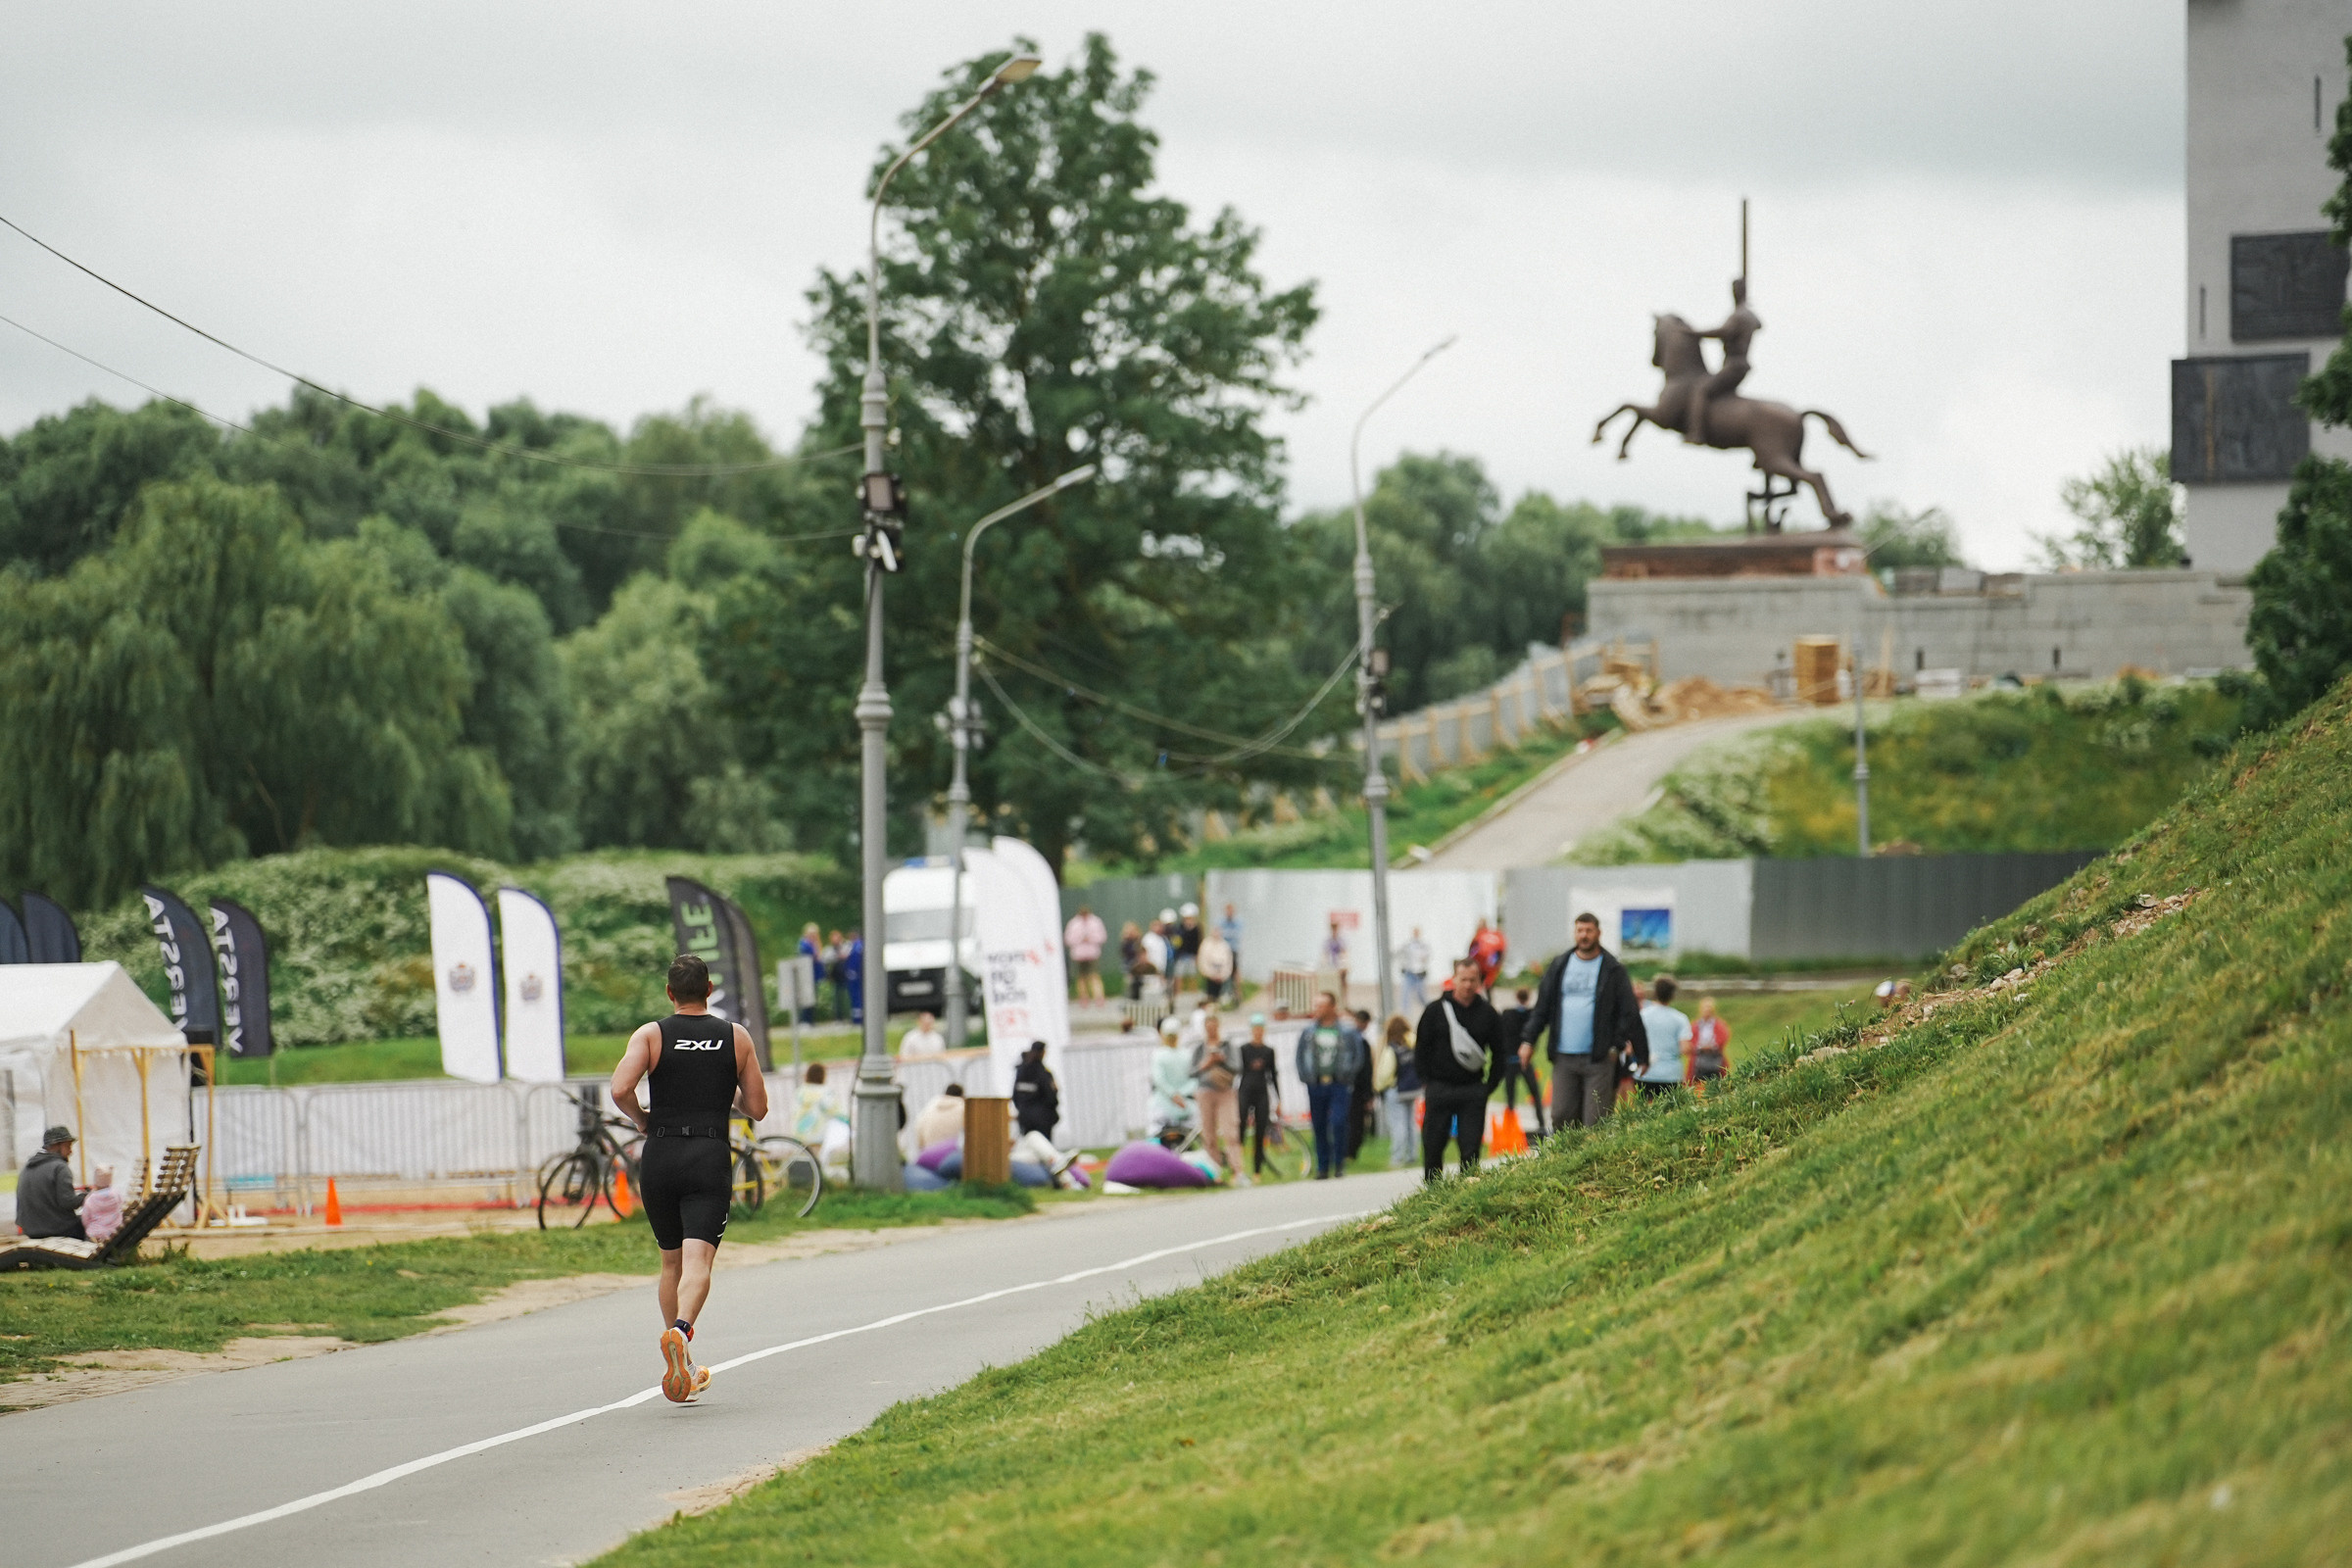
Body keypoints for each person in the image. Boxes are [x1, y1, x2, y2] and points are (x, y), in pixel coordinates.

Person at [611, 954, 770, 1404]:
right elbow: (757, 1108)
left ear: (669, 993)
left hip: (660, 1155)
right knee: (698, 1260)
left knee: (671, 1262)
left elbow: (620, 1089)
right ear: (709, 989)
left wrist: (642, 1119)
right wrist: (724, 1087)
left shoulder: (651, 1034)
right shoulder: (735, 1037)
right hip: (707, 1154)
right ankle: (681, 1332)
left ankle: (680, 1353)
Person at [1522, 912, 1645, 1130]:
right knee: (1561, 1116)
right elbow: (1542, 1007)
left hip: (1599, 1058)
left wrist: (1635, 1050)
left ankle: (1594, 1153)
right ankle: (1566, 1153)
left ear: (1598, 933)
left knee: (1595, 1121)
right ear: (1575, 933)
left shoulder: (1613, 969)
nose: (1584, 935)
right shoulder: (1560, 965)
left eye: (1589, 930)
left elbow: (1630, 1012)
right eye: (1580, 930)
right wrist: (1528, 1041)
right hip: (1564, 1056)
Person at [1415, 957, 1505, 1181]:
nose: (1467, 985)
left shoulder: (1488, 1014)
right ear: (1454, 979)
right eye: (1463, 979)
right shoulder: (1435, 1011)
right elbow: (1421, 1048)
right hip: (1440, 1087)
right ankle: (1433, 1192)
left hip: (1472, 1089)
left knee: (1470, 1149)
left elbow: (1500, 1052)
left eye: (1472, 980)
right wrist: (1427, 1082)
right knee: (1433, 1145)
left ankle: (1468, 1191)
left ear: (1479, 982)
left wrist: (1488, 1087)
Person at [1294, 991, 1365, 1179]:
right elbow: (1300, 1056)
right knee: (1319, 1125)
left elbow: (1358, 1056)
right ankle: (1322, 1166)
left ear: (1332, 1007)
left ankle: (1339, 1162)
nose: (1317, 1009)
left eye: (1321, 1005)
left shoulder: (1347, 1032)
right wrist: (1305, 1077)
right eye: (1316, 1005)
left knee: (1339, 1121)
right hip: (1316, 1084)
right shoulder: (1309, 1032)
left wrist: (1348, 1075)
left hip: (1338, 1084)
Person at [1688, 274, 1760, 446]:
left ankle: (1696, 433)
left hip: (1734, 364)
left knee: (1701, 390)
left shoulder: (1739, 315)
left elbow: (1723, 332)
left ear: (1741, 292)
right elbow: (1759, 324)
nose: (1734, 293)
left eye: (1736, 290)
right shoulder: (1748, 315)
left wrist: (1695, 334)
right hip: (1738, 365)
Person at [1191, 1012, 1246, 1182]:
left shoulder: (1228, 1046)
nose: (1211, 1029)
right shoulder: (1200, 1049)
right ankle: (1214, 1173)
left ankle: (1238, 1171)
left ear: (1218, 1026)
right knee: (1209, 1135)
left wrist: (1222, 1060)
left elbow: (1238, 1067)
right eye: (1208, 1027)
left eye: (1213, 1026)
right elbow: (1191, 1071)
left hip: (1225, 1092)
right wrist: (1206, 1063)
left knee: (1230, 1132)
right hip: (1205, 1092)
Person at [1494, 986, 1547, 1137]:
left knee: (1510, 1096)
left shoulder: (1507, 1014)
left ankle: (1510, 1126)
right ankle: (1541, 1124)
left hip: (1510, 1060)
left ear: (1516, 997)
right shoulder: (1531, 1015)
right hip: (1525, 1061)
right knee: (1535, 1094)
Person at [16, 1125, 85, 1240]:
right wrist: (86, 1196)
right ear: (55, 1145)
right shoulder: (60, 1167)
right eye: (68, 1146)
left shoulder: (27, 1167)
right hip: (58, 1230)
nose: (71, 1151)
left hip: (30, 1231)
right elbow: (68, 1202)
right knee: (91, 1223)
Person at [1636, 975, 1695, 1100]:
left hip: (1646, 1072)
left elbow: (1633, 1043)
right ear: (1672, 995)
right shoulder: (1680, 1018)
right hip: (1671, 1074)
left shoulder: (1642, 1015)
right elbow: (1685, 1048)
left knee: (1646, 1109)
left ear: (1655, 992)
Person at [1238, 1014, 1281, 1178]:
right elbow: (1238, 1072)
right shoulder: (1244, 1049)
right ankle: (1238, 1169)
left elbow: (1273, 1075)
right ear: (1251, 1031)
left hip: (1262, 1093)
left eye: (1260, 1029)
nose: (1258, 1032)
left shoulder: (1268, 1051)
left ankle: (1257, 1171)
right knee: (1241, 1128)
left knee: (1260, 1131)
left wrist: (1278, 1098)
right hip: (1245, 1091)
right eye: (1255, 1029)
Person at [1381, 1013, 1422, 1169]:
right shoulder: (1412, 1046)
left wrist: (1380, 1085)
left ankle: (1397, 1157)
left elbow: (1386, 1073)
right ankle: (1412, 1154)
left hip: (1396, 1089)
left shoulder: (1392, 1049)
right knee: (1411, 1123)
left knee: (1398, 1125)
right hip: (1412, 1089)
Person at [1149, 1017, 1194, 1143]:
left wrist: (1175, 1095)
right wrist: (1180, 1095)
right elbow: (1193, 1080)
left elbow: (1159, 1080)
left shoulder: (1159, 1054)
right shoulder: (1186, 1054)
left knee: (1157, 1136)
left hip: (1166, 1104)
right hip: (1181, 1104)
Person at [1012, 1041, 1060, 1140]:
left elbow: (1015, 1096)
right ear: (1042, 1053)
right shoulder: (1043, 1073)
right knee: (1044, 1146)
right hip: (1042, 1119)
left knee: (1029, 1144)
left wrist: (1022, 1110)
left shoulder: (1021, 1072)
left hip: (1025, 1118)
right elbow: (1051, 1096)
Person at [1348, 1007, 1378, 1160]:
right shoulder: (1361, 1042)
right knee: (1357, 1123)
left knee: (1350, 1121)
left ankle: (1347, 1152)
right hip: (1358, 1089)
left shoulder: (1348, 1038)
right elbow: (1366, 1070)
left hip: (1348, 1087)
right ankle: (1350, 1152)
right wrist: (1368, 1093)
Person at [1064, 905, 1107, 1002]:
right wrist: (1080, 939)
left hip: (1092, 953)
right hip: (1079, 954)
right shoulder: (1073, 923)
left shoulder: (1096, 922)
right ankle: (1083, 996)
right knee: (1081, 977)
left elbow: (1102, 937)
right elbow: (1068, 939)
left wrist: (1091, 938)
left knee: (1094, 975)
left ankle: (1098, 996)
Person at [1690, 996, 1733, 1087]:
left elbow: (1723, 1037)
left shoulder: (1718, 1024)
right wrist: (1700, 1046)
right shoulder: (1696, 1025)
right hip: (1698, 1059)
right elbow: (1691, 1040)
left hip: (1715, 1057)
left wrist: (1712, 1045)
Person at [912, 1083, 966, 1150]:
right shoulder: (963, 1108)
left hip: (930, 1152)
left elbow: (919, 1130)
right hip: (952, 1152)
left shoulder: (929, 1108)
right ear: (962, 1096)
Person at [79, 1164, 123, 1246]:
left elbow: (85, 1218)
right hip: (114, 1233)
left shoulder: (91, 1199)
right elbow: (120, 1208)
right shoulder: (117, 1195)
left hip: (94, 1235)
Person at [1197, 925, 1235, 1006]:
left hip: (1221, 974)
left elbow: (1228, 962)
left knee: (1221, 995)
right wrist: (1210, 974)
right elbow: (1202, 960)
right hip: (1209, 974)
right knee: (1209, 995)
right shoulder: (1206, 944)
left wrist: (1223, 974)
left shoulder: (1224, 945)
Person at [1398, 927, 1433, 1012]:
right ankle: (1405, 1013)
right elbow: (1402, 956)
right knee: (1405, 994)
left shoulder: (1423, 946)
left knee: (1421, 995)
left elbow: (1426, 958)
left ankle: (1430, 1009)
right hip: (1409, 973)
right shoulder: (1408, 945)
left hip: (1419, 974)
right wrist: (1403, 966)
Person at [797, 923, 823, 1025]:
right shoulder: (804, 944)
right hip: (807, 975)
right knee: (807, 997)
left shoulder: (813, 944)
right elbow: (810, 957)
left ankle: (810, 1020)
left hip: (814, 975)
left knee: (813, 998)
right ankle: (805, 1020)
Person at [1470, 918, 1507, 989]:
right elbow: (1501, 951)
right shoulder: (1497, 935)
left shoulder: (1480, 935)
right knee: (1487, 985)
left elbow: (1473, 950)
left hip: (1483, 964)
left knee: (1481, 984)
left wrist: (1472, 960)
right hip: (1490, 964)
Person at [1174, 903, 1204, 990]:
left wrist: (1197, 956)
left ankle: (1193, 992)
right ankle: (1178, 993)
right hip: (1181, 956)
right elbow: (1177, 942)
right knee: (1179, 975)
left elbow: (1198, 943)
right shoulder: (1180, 928)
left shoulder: (1197, 929)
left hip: (1192, 956)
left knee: (1192, 975)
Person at [1322, 918, 1350, 1001]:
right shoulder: (1328, 941)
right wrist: (1325, 965)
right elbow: (1325, 954)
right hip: (1331, 966)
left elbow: (1344, 954)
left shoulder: (1341, 941)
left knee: (1342, 983)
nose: (1334, 930)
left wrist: (1344, 965)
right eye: (1333, 928)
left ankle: (1344, 999)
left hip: (1340, 965)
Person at [1217, 903, 1244, 976]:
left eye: (1231, 911)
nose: (1229, 913)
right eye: (1228, 911)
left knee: (1235, 968)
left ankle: (1236, 982)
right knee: (1222, 967)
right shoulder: (1221, 921)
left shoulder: (1238, 922)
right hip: (1223, 949)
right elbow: (1218, 933)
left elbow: (1237, 934)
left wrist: (1225, 933)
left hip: (1233, 948)